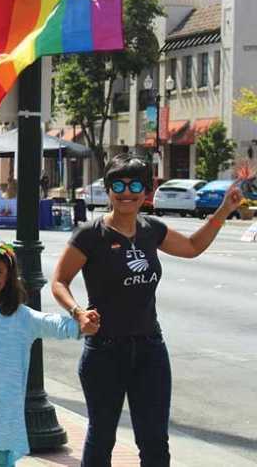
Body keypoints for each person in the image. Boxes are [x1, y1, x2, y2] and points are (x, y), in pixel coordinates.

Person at [51, 154, 242, 466]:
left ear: (147, 191)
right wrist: (78, 313)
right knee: (101, 438)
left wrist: (223, 210)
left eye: (136, 184)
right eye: (119, 185)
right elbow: (59, 281)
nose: (127, 192)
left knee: (154, 442)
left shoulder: (152, 229)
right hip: (104, 351)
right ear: (108, 189)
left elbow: (193, 247)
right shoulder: (90, 234)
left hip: (150, 349)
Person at [0, 233, 99, 466]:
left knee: (0, 457)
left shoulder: (20, 316)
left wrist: (82, 321)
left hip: (6, 404)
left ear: (9, 277)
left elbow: (54, 324)